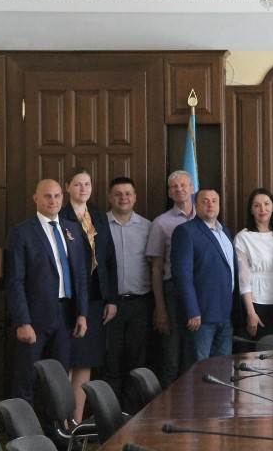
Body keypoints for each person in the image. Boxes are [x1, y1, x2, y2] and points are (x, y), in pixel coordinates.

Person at [5, 179, 88, 405]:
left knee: (58, 382)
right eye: (47, 196)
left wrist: (82, 314)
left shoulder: (71, 229)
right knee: (26, 380)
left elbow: (81, 275)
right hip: (34, 319)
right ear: (36, 199)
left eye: (57, 196)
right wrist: (22, 321)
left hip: (66, 316)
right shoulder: (21, 232)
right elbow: (14, 281)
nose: (53, 201)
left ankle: (57, 428)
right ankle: (23, 428)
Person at [59, 167, 118, 424]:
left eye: (87, 184)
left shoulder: (98, 216)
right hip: (69, 300)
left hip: (95, 298)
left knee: (86, 361)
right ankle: (61, 423)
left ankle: (76, 422)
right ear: (67, 187)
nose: (83, 189)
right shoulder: (60, 216)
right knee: (67, 361)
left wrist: (111, 298)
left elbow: (110, 258)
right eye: (77, 184)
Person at [103, 176, 153, 414]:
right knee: (110, 362)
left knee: (137, 363)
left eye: (127, 194)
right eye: (118, 194)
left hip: (140, 305)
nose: (123, 198)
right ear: (110, 197)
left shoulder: (148, 227)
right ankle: (111, 417)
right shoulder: (98, 226)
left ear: (134, 197)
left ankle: (132, 415)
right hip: (108, 306)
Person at [171, 189, 236, 363]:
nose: (210, 204)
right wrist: (192, 310)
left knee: (222, 369)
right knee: (197, 370)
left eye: (214, 200)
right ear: (196, 205)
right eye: (205, 201)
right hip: (201, 316)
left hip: (225, 314)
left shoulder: (225, 232)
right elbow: (182, 276)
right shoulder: (185, 231)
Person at [145, 170, 196, 388]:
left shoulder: (205, 218)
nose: (179, 189)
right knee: (171, 358)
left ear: (192, 188)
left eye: (183, 185)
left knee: (195, 356)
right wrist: (160, 309)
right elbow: (156, 268)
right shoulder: (161, 222)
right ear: (169, 192)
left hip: (199, 292)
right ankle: (167, 406)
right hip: (172, 292)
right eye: (174, 186)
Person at [234, 188, 273, 345]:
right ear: (251, 210)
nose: (263, 209)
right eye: (257, 205)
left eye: (267, 204)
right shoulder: (243, 237)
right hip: (256, 303)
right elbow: (243, 279)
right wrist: (251, 312)